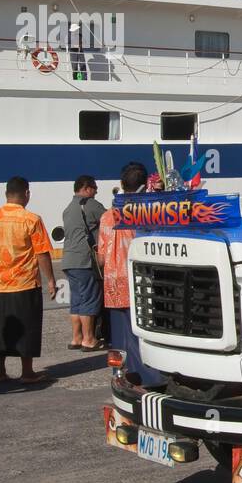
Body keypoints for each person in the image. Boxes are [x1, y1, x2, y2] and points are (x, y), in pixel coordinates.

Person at [0, 177, 56, 384]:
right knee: (27, 326)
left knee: (0, 328)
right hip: (25, 282)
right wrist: (50, 280)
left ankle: (0, 371)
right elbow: (42, 253)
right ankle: (27, 372)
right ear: (27, 193)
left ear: (6, 194)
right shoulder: (31, 219)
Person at [98, 162, 163, 386]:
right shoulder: (145, 213)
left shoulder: (107, 216)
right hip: (138, 281)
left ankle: (120, 374)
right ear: (144, 185)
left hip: (112, 282)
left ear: (121, 184)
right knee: (142, 332)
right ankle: (147, 377)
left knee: (119, 335)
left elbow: (100, 257)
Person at [61, 174, 106, 351]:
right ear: (86, 188)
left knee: (76, 300)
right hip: (84, 260)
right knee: (89, 298)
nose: (96, 191)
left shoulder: (68, 208)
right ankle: (89, 339)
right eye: (94, 187)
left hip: (68, 260)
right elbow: (111, 220)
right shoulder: (90, 205)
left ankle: (76, 337)